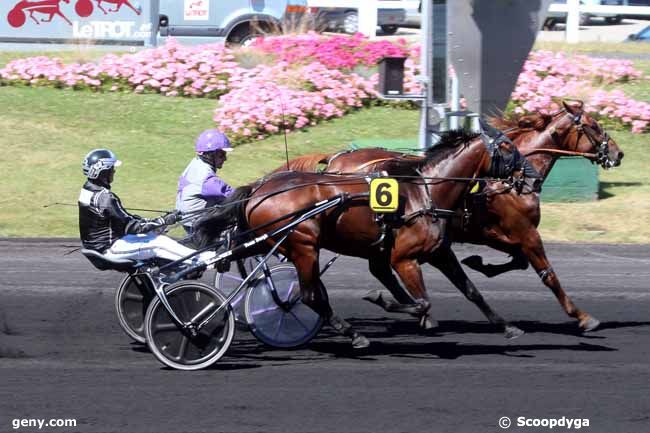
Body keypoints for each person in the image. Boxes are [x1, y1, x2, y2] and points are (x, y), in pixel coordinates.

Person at [78, 148, 215, 265]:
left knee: (153, 235)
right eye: (112, 169)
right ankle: (203, 260)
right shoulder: (105, 197)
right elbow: (132, 226)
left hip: (96, 246)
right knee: (159, 244)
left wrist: (156, 224)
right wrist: (163, 221)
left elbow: (124, 219)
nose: (114, 171)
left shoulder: (87, 190)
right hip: (108, 249)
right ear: (103, 172)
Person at [176, 129, 234, 233]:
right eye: (221, 155)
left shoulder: (195, 163)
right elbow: (233, 195)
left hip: (188, 221)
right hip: (199, 226)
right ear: (210, 155)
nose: (225, 159)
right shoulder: (207, 179)